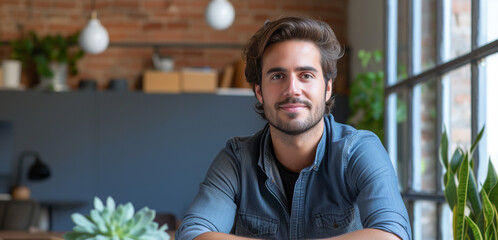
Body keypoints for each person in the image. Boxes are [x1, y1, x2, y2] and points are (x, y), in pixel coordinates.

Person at [175, 16, 412, 240]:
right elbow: (193, 233)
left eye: (306, 75)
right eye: (278, 76)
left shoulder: (359, 150)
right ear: (259, 91)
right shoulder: (237, 160)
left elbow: (392, 233)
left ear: (327, 88)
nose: (292, 89)